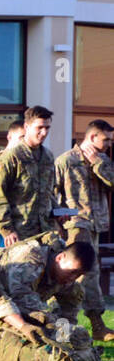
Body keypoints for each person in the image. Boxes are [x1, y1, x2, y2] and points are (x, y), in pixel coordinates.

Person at [53, 119, 114, 340]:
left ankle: (95, 325)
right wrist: (58, 223)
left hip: (96, 225)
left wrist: (98, 163)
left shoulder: (104, 160)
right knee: (79, 276)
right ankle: (66, 327)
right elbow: (52, 194)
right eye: (105, 139)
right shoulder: (65, 161)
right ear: (91, 137)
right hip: (75, 227)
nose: (108, 144)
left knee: (90, 275)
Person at [0, 236, 94, 331]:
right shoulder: (30, 260)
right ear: (60, 258)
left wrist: (62, 340)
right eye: (72, 272)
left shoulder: (67, 281)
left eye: (78, 275)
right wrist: (50, 324)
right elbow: (25, 302)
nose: (73, 278)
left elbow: (68, 315)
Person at [0, 105, 56, 244]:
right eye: (39, 128)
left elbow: (47, 192)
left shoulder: (47, 157)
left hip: (44, 232)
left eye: (47, 128)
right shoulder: (12, 157)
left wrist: (58, 211)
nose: (43, 133)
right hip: (18, 234)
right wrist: (6, 229)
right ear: (27, 127)